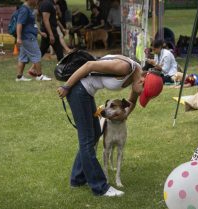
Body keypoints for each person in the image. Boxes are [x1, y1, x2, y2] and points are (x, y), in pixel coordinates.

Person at [57, 55, 163, 196]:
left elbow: (131, 102)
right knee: (87, 139)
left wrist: (123, 115)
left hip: (86, 92)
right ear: (143, 80)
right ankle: (100, 187)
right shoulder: (125, 67)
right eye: (143, 93)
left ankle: (78, 179)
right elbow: (89, 65)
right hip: (77, 90)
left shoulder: (137, 78)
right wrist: (67, 86)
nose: (140, 94)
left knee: (94, 134)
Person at [16, 0, 51, 81]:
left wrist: (40, 33)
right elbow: (19, 23)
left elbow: (31, 24)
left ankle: (19, 77)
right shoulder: (24, 9)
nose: (37, 0)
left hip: (27, 36)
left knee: (23, 57)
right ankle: (39, 76)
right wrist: (18, 37)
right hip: (28, 37)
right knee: (37, 54)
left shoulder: (28, 9)